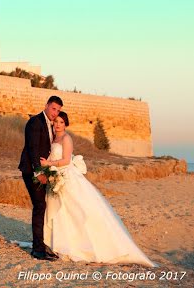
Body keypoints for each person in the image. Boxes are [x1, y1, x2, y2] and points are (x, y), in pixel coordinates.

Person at [40, 112, 156, 266]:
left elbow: (66, 160)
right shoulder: (53, 138)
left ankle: (78, 245)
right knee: (59, 210)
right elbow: (52, 155)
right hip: (55, 176)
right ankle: (57, 244)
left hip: (67, 177)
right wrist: (47, 166)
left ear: (66, 124)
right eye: (56, 121)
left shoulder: (67, 138)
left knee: (77, 211)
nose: (58, 124)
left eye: (61, 122)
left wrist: (49, 164)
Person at [18, 95, 63, 260]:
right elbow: (33, 149)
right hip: (32, 171)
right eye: (53, 108)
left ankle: (43, 245)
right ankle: (37, 250)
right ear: (46, 106)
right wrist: (39, 173)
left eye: (58, 110)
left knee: (43, 207)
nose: (55, 112)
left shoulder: (50, 124)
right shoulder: (35, 122)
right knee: (39, 206)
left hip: (43, 171)